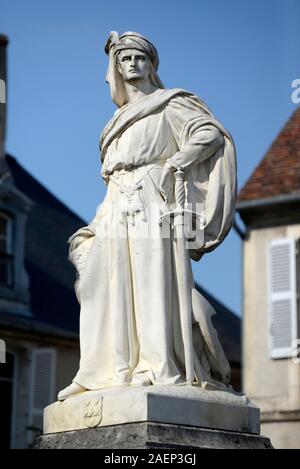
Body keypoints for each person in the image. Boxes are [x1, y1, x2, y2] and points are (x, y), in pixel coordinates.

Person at [58, 31, 237, 401]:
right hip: (114, 203)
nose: (133, 65)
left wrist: (177, 161)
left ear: (151, 65)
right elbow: (111, 176)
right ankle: (100, 369)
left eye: (140, 58)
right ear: (118, 69)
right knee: (99, 284)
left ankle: (154, 365)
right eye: (125, 60)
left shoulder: (169, 103)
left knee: (151, 283)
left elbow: (210, 134)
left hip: (152, 199)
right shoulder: (113, 122)